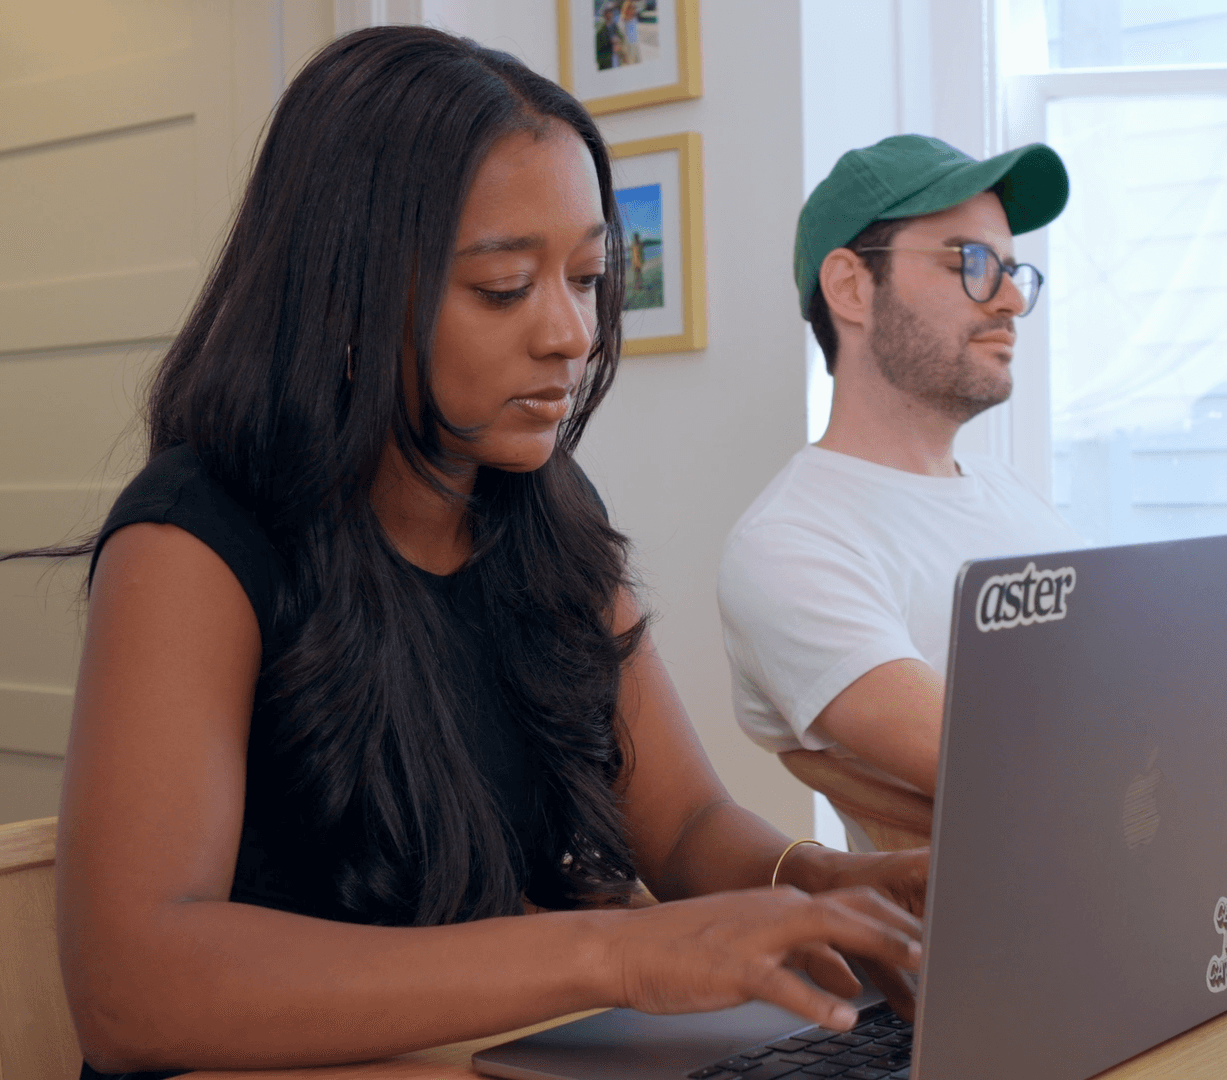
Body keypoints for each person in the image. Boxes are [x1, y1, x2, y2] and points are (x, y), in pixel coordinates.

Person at [54, 29, 925, 1079]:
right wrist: (616, 952)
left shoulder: (543, 511)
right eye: (506, 289)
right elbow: (133, 987)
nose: (571, 334)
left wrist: (825, 884)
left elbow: (685, 824)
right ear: (347, 298)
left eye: (590, 276)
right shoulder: (194, 538)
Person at [719, 135, 1227, 851]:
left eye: (1013, 268)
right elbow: (1003, 763)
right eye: (970, 262)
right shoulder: (792, 543)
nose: (1012, 299)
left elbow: (1140, 684)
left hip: (1172, 877)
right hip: (1009, 950)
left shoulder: (1005, 490)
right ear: (849, 288)